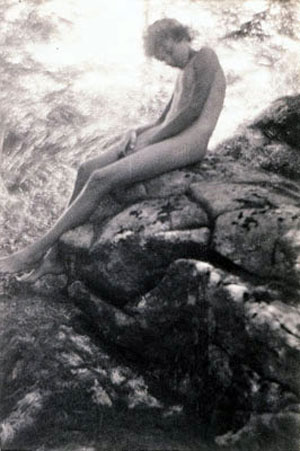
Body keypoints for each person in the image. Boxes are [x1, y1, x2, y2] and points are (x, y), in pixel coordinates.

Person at [0, 18, 226, 281]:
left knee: (101, 179)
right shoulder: (182, 72)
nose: (168, 58)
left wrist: (149, 142)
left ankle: (32, 253)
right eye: (162, 57)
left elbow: (191, 113)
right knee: (87, 169)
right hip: (169, 135)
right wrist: (134, 133)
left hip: (189, 142)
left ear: (183, 36)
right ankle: (55, 257)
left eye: (169, 50)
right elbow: (162, 120)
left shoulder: (206, 56)